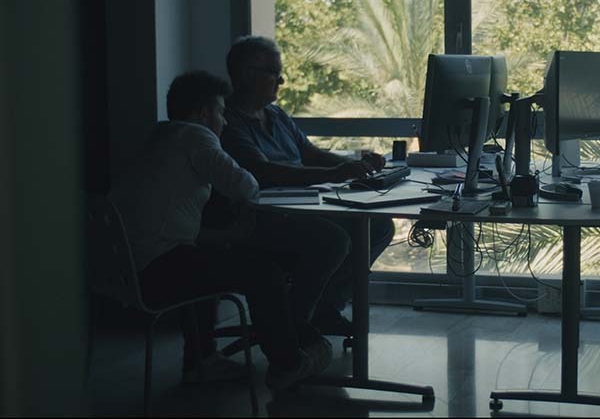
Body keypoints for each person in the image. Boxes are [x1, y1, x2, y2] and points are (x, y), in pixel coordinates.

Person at [110, 71, 333, 391]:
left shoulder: (160, 137)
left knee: (211, 256)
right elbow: (245, 184)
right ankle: (288, 363)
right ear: (204, 113)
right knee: (263, 272)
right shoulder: (196, 136)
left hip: (125, 272)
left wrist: (226, 236)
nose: (225, 122)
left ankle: (200, 360)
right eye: (221, 112)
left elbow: (167, 225)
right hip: (157, 272)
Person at [220, 36, 396, 336]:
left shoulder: (275, 114)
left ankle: (325, 308)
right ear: (246, 74)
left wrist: (355, 164)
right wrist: (336, 173)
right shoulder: (228, 121)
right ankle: (293, 326)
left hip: (301, 205)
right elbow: (264, 172)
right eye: (274, 72)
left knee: (379, 226)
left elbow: (311, 154)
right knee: (333, 240)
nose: (281, 80)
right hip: (261, 216)